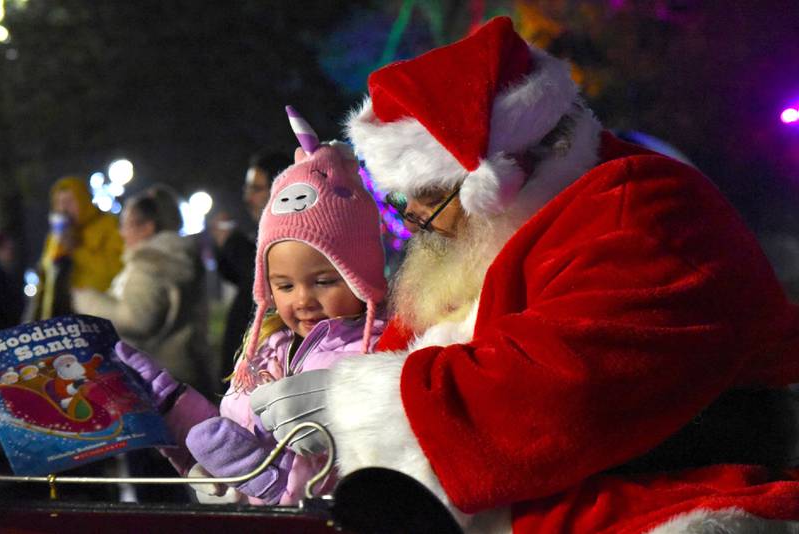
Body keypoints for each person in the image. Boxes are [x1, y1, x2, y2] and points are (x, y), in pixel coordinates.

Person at [245, 17, 799, 533]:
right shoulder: (481, 241)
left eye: (432, 199)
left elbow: (563, 392)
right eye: (403, 201)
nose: (415, 219)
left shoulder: (641, 208)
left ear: (507, 177)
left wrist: (352, 400)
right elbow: (405, 350)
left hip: (675, 499)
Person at [114, 108, 387, 506]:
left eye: (325, 281)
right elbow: (226, 436)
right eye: (284, 285)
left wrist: (268, 480)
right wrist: (168, 405)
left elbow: (353, 477)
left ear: (361, 274)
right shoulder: (267, 345)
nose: (302, 299)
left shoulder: (376, 357)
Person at [72, 184, 213, 396]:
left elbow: (137, 319)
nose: (121, 233)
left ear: (147, 227)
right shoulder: (178, 257)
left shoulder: (150, 264)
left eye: (126, 225)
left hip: (160, 380)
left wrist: (85, 299)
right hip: (186, 370)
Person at [211, 150, 292, 379]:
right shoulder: (255, 236)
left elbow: (259, 273)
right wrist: (223, 247)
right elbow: (240, 279)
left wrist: (232, 243)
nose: (248, 198)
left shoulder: (293, 240)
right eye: (247, 189)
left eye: (256, 189)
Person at [28, 176, 123, 320]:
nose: (64, 208)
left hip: (97, 314)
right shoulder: (54, 237)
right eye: (59, 202)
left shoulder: (108, 226)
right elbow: (46, 278)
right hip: (59, 317)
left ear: (83, 200)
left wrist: (76, 249)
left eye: (70, 201)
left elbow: (116, 270)